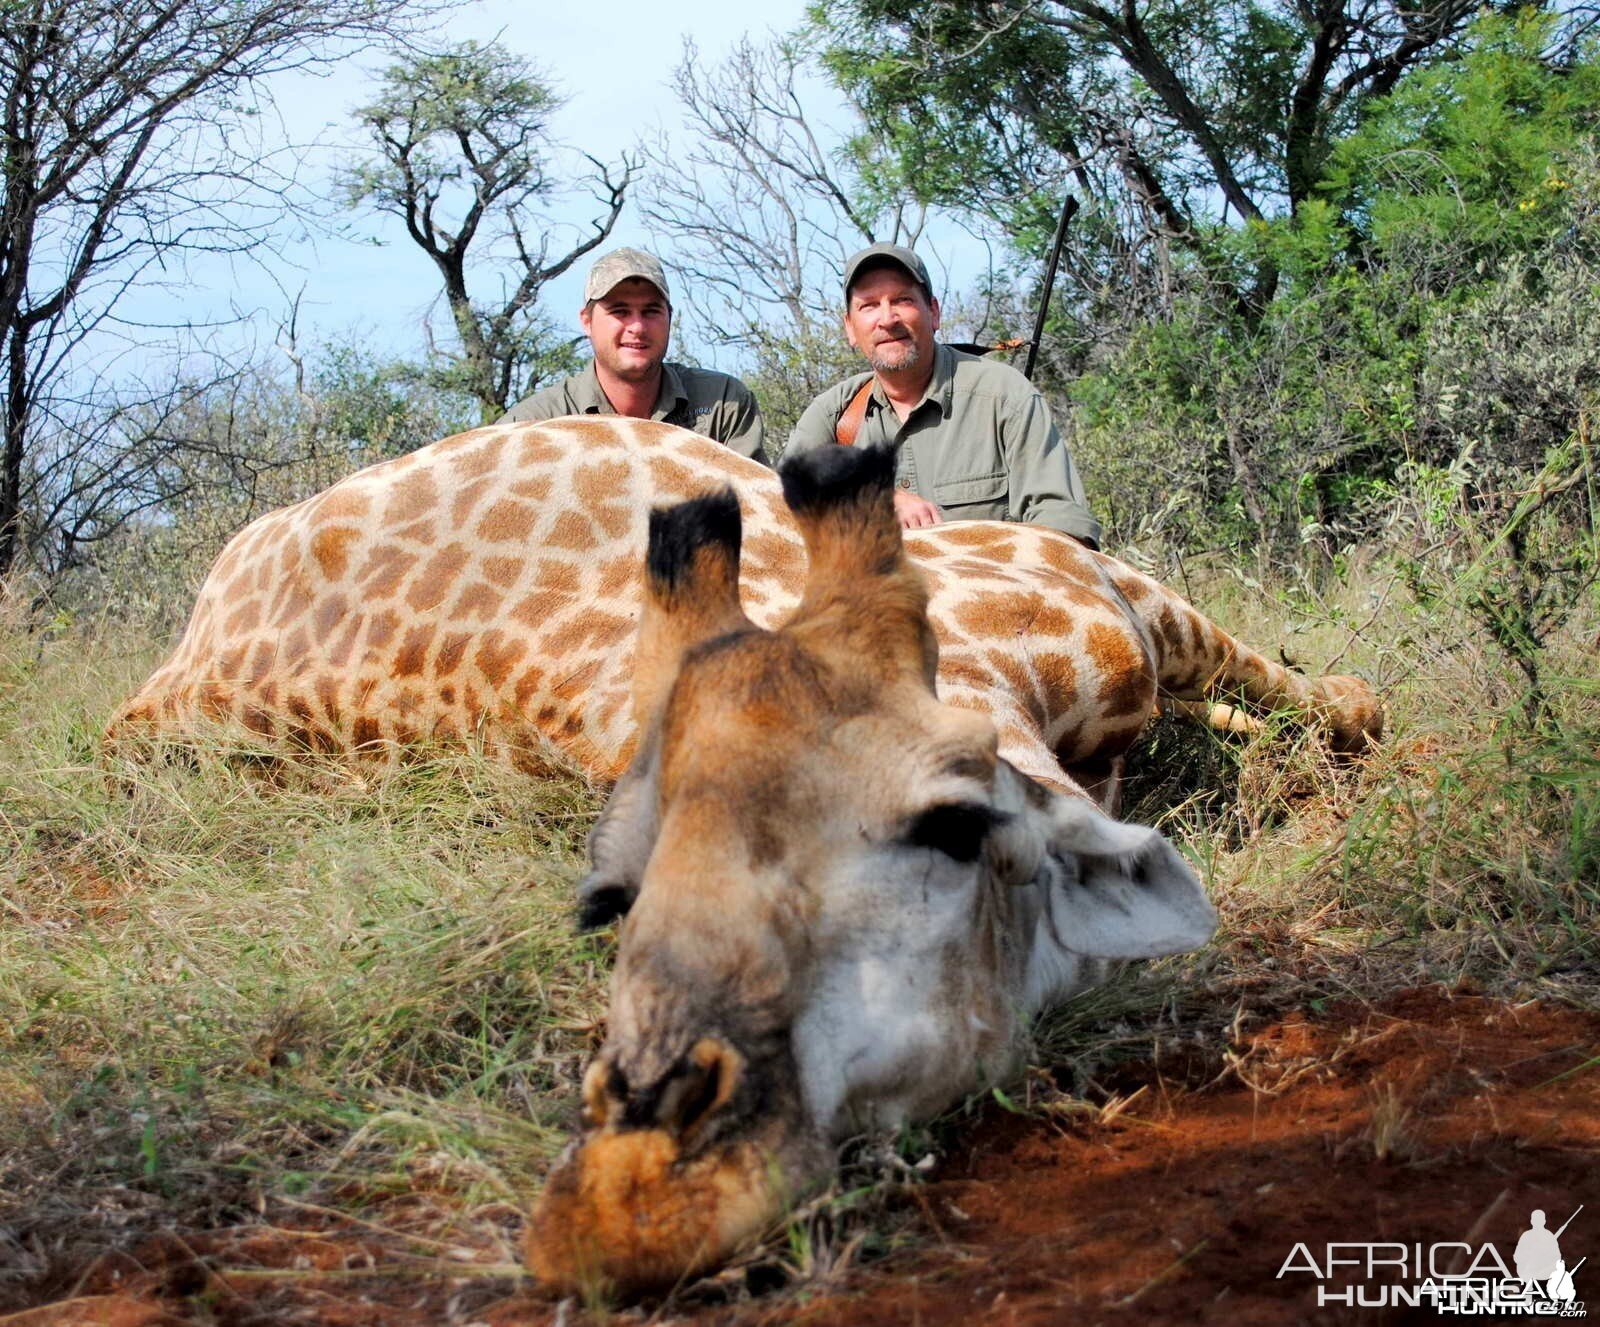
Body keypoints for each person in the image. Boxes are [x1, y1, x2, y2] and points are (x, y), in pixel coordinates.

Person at [783, 243, 1100, 547]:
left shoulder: (1004, 396)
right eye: (869, 305)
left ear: (933, 313)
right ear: (850, 328)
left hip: (989, 595)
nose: (888, 319)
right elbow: (779, 509)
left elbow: (1064, 526)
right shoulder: (833, 414)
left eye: (903, 300)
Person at [499, 247, 766, 464]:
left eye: (651, 311)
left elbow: (754, 515)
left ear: (669, 318)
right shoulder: (531, 425)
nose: (637, 327)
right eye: (620, 311)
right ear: (587, 321)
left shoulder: (724, 402)